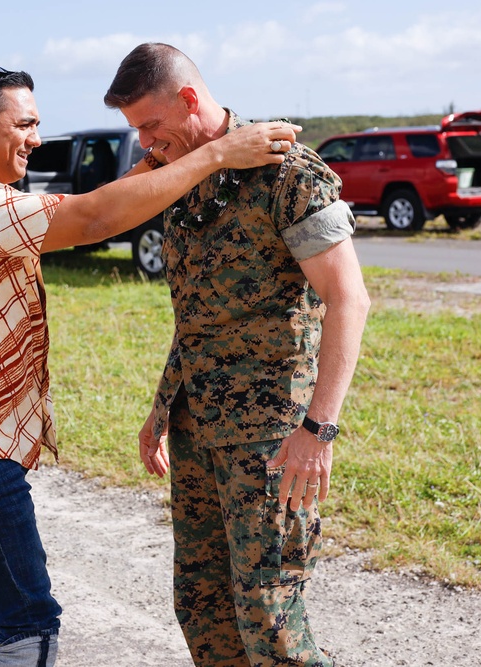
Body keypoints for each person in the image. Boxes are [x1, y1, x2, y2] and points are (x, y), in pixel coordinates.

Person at [0, 61, 298, 667]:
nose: (36, 138)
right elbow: (94, 219)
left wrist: (161, 161)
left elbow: (98, 200)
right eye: (24, 125)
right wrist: (217, 156)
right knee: (29, 624)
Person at [104, 44, 371, 666]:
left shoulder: (288, 172)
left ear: (189, 100)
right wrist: (161, 409)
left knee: (269, 622)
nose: (145, 142)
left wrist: (319, 429)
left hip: (271, 440)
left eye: (150, 124)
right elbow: (198, 314)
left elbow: (349, 300)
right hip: (199, 427)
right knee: (203, 609)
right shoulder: (180, 179)